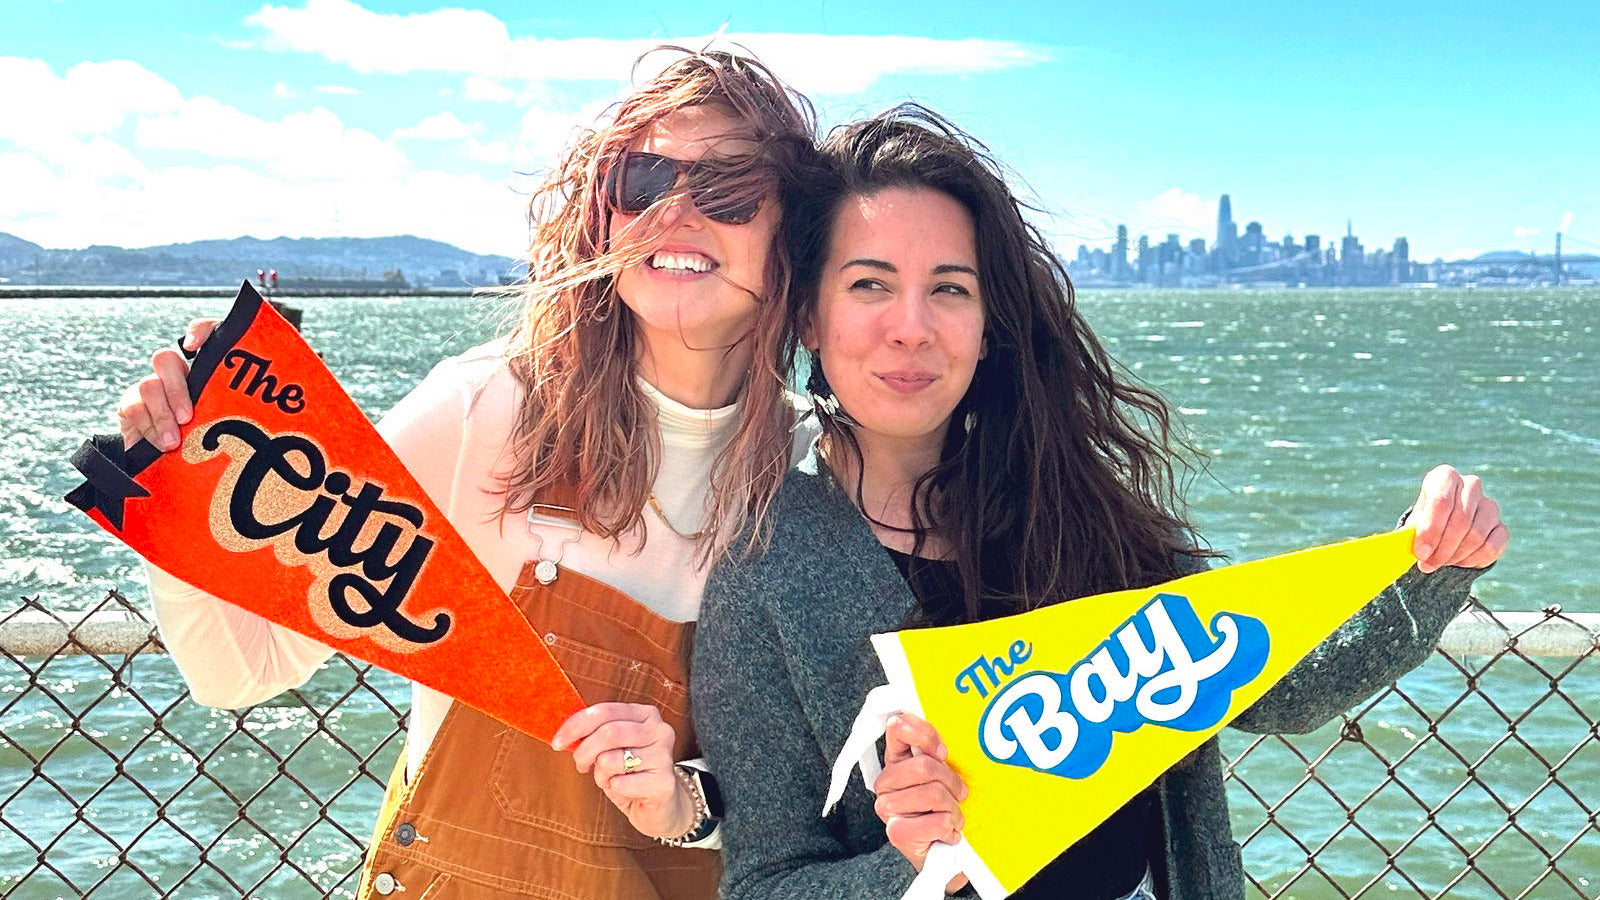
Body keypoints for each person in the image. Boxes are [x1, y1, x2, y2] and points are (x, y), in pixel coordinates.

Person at [691, 105, 1508, 900]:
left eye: (950, 289)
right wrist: (913, 866)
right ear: (808, 316)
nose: (912, 327)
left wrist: (1430, 561)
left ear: (987, 322)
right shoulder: (765, 574)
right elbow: (768, 880)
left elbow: (1280, 686)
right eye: (870, 284)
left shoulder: (1077, 509)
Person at [114, 49, 820, 899]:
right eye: (643, 178)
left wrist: (684, 807)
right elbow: (243, 670)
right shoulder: (486, 412)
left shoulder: (813, 470)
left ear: (794, 231)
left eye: (730, 188)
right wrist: (174, 485)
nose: (675, 210)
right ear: (603, 212)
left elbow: (820, 814)